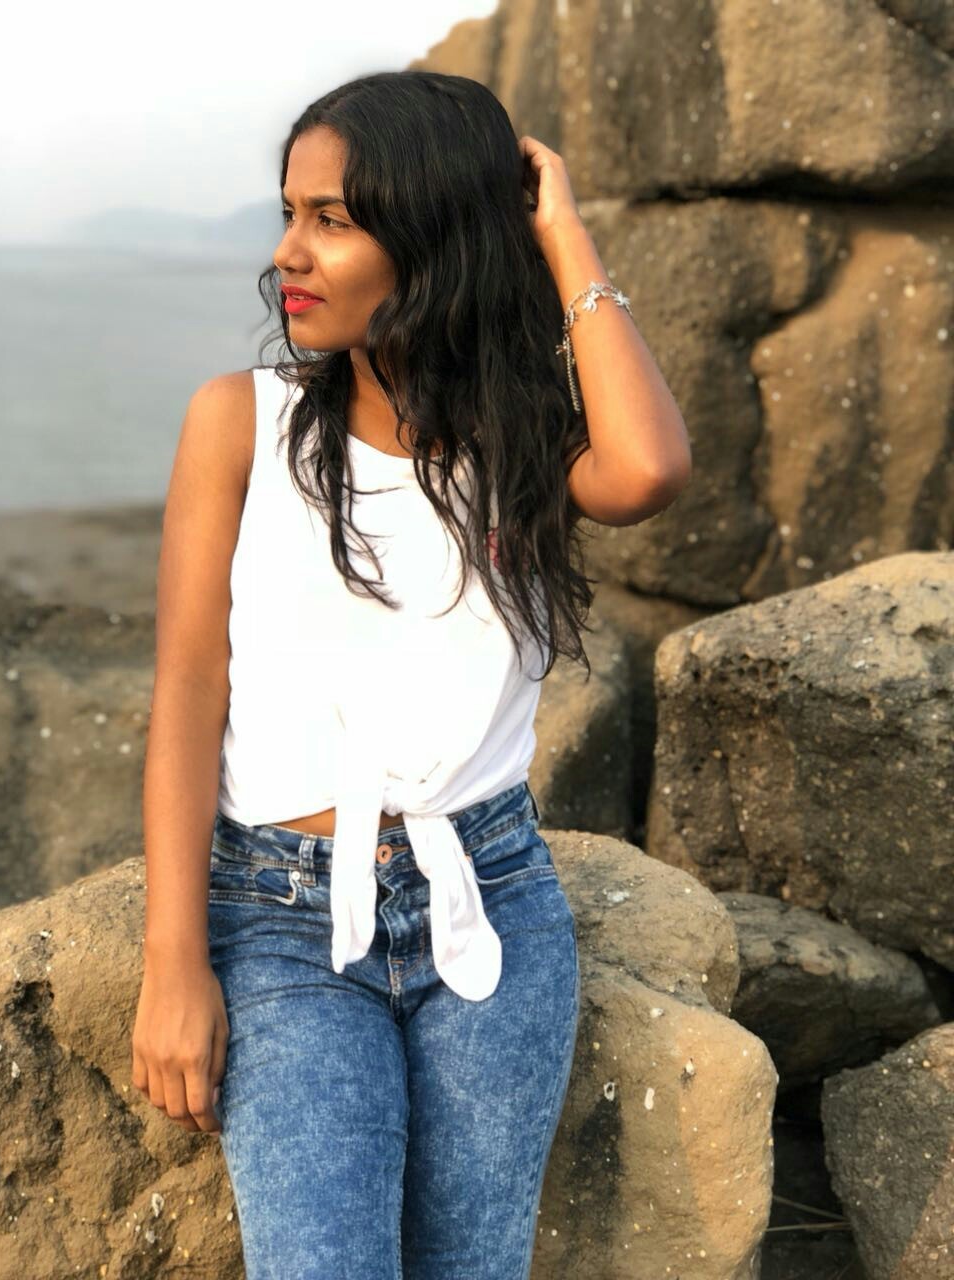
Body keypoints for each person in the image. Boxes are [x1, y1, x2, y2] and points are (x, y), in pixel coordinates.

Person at [131, 69, 691, 1280]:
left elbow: (648, 469)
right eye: (290, 214)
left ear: (432, 239)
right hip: (280, 922)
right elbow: (186, 690)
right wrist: (174, 959)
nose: (288, 253)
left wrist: (560, 230)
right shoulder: (240, 421)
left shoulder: (523, 440)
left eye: (332, 219)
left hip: (490, 900)